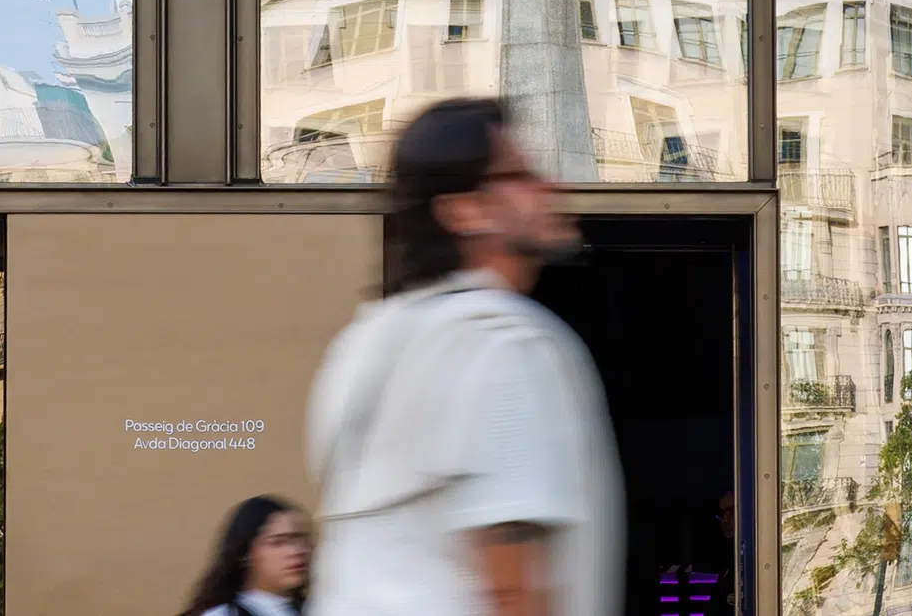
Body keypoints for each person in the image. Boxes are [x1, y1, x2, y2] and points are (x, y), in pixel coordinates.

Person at [305, 97, 622, 616]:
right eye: (518, 175)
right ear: (462, 210)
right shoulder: (503, 341)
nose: (548, 186)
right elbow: (512, 587)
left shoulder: (360, 345)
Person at [179, 495, 312, 616]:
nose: (296, 551)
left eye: (300, 539)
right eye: (278, 542)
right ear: (246, 553)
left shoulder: (319, 607)